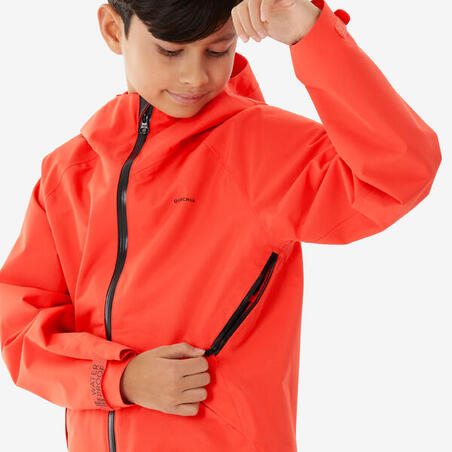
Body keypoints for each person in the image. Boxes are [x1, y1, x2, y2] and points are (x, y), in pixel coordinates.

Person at [0, 0, 442, 451]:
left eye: (218, 50)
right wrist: (122, 379)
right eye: (171, 51)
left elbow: (400, 173)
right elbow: (18, 329)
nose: (195, 76)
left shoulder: (260, 150)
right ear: (115, 30)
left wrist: (310, 33)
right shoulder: (69, 173)